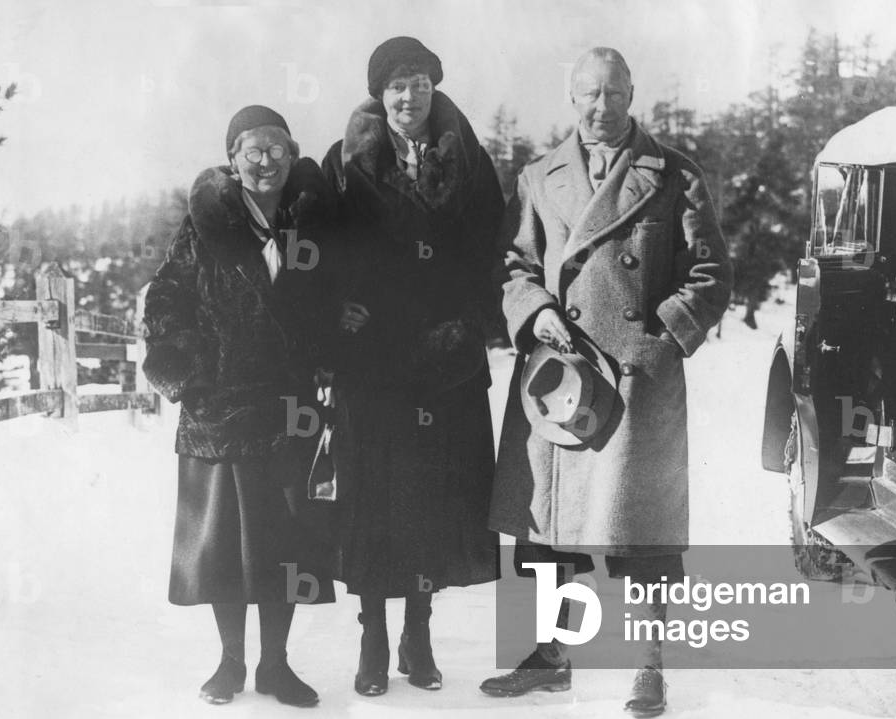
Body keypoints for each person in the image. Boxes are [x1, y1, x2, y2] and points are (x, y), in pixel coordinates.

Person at [481, 48, 732, 717]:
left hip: (635, 382)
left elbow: (709, 275)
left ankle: (647, 670)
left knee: (642, 533)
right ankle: (550, 656)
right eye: (589, 95)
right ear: (571, 97)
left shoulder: (673, 173)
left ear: (631, 94)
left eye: (613, 94)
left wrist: (660, 337)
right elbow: (513, 263)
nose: (601, 107)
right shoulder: (539, 177)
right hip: (558, 378)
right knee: (547, 526)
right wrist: (534, 313)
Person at [319, 36, 503, 696]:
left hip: (447, 359)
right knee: (373, 496)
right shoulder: (344, 162)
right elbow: (320, 250)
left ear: (434, 87)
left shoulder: (468, 160)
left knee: (431, 497)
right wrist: (340, 318)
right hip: (371, 366)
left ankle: (416, 635)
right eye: (396, 84)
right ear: (379, 93)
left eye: (419, 81)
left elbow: (492, 244)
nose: (408, 95)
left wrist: (476, 320)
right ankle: (371, 636)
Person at [143, 105, 336, 708]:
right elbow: (165, 299)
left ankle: (275, 666)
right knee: (224, 546)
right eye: (252, 150)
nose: (266, 161)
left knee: (283, 543)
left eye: (277, 148)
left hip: (288, 412)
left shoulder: (308, 224)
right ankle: (230, 664)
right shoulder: (206, 223)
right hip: (219, 411)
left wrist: (330, 353)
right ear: (232, 159)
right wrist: (191, 376)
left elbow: (331, 298)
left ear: (293, 153)